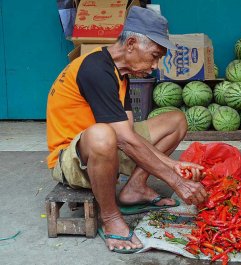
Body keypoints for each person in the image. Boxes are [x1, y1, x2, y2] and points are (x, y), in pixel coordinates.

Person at [46, 6, 207, 253]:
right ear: (131, 43)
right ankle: (110, 218)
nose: (155, 65)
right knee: (103, 134)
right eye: (154, 55)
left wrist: (172, 164)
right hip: (71, 159)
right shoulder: (95, 68)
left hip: (108, 147)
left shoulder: (122, 74)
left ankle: (134, 189)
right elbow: (122, 139)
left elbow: (129, 133)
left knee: (175, 120)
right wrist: (175, 180)